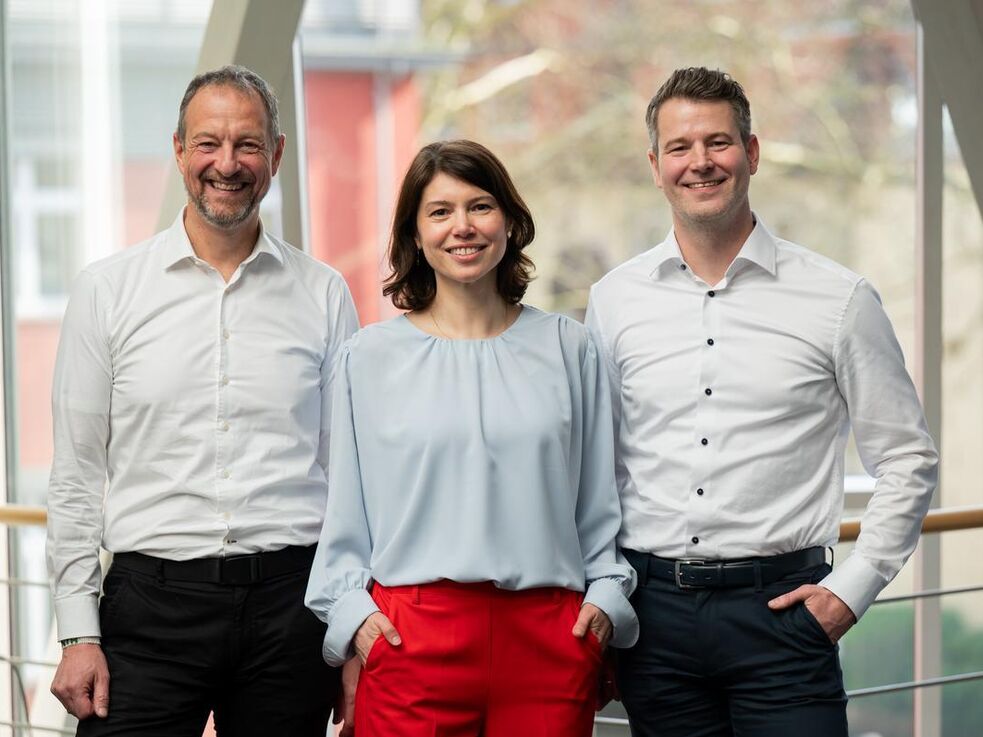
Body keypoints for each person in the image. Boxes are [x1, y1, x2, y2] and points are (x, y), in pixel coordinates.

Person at [586, 67, 939, 737]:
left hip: (784, 618)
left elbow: (907, 457)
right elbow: (597, 466)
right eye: (680, 147)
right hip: (653, 624)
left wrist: (851, 589)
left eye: (717, 142)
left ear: (750, 153)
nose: (699, 162)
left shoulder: (838, 299)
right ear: (656, 166)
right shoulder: (613, 300)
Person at [45, 65, 358, 737]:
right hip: (148, 609)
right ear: (179, 150)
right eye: (208, 143)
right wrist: (77, 631)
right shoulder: (107, 291)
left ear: (276, 154)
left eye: (248, 144)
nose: (227, 163)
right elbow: (76, 475)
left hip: (292, 609)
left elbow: (349, 479)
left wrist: (349, 626)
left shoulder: (324, 293)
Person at [305, 139, 638, 737]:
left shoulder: (570, 348)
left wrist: (604, 600)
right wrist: (355, 617)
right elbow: (345, 511)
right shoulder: (368, 358)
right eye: (440, 211)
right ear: (415, 235)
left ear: (509, 221)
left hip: (550, 637)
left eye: (480, 206)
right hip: (409, 636)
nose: (462, 226)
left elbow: (599, 499)